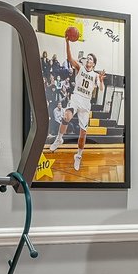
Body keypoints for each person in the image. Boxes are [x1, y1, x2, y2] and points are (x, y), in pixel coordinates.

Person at [44, 31, 105, 172]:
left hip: (86, 103)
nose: (88, 60)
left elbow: (101, 90)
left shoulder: (96, 75)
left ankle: (78, 155)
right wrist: (67, 42)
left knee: (83, 133)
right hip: (76, 97)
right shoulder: (80, 68)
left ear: (94, 64)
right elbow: (70, 58)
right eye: (87, 58)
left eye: (91, 59)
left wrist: (101, 81)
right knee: (66, 116)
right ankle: (59, 139)